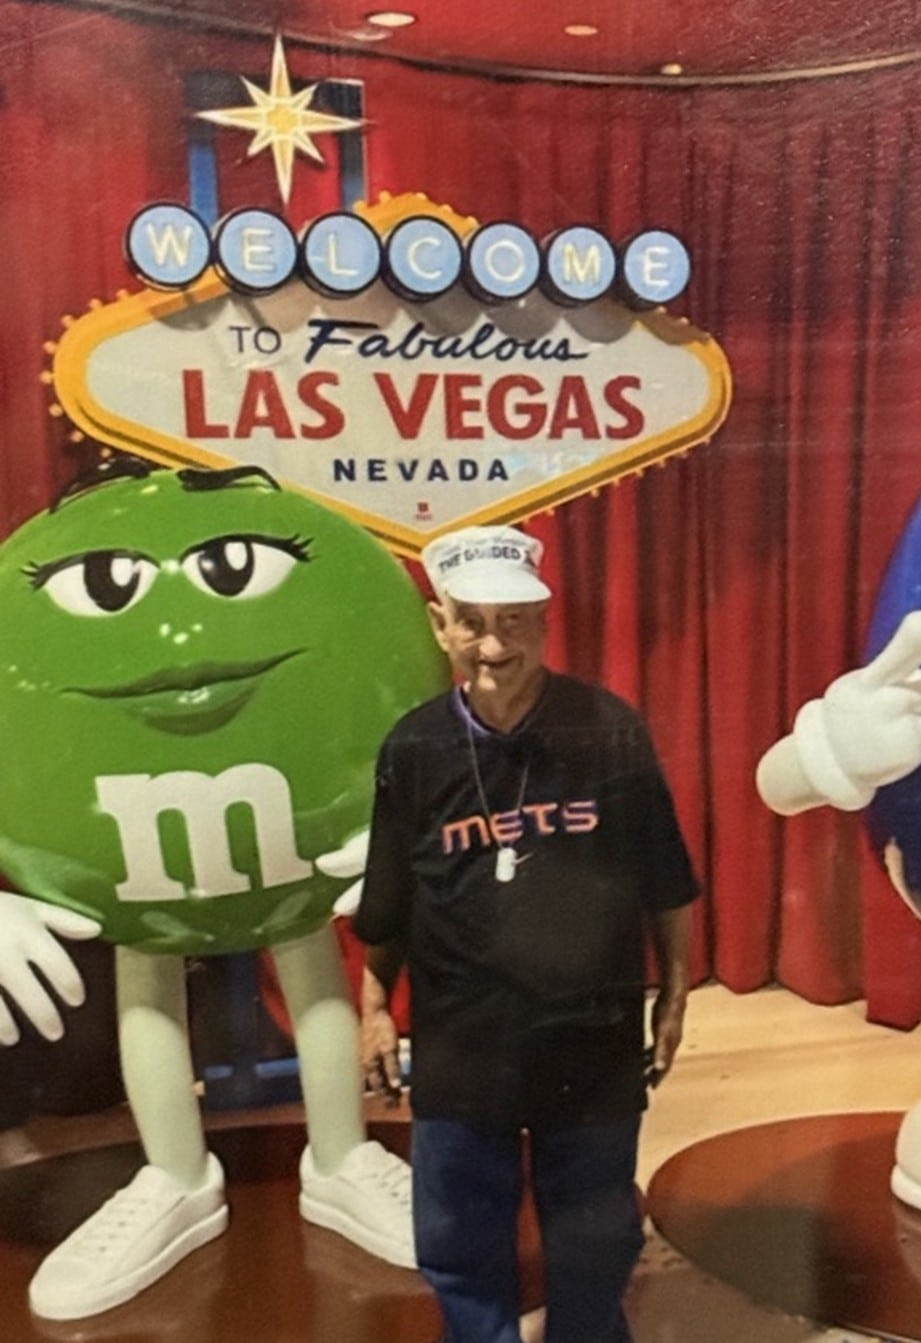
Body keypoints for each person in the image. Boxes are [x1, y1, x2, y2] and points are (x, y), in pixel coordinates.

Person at [355, 523, 698, 1343]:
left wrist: (677, 990)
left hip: (591, 1026)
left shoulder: (608, 728)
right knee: (458, 1231)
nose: (493, 645)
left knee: (596, 1227)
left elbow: (665, 875)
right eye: (470, 621)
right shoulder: (415, 746)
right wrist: (373, 1002)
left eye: (513, 622)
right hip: (462, 1034)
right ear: (440, 627)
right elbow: (389, 898)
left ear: (544, 625)